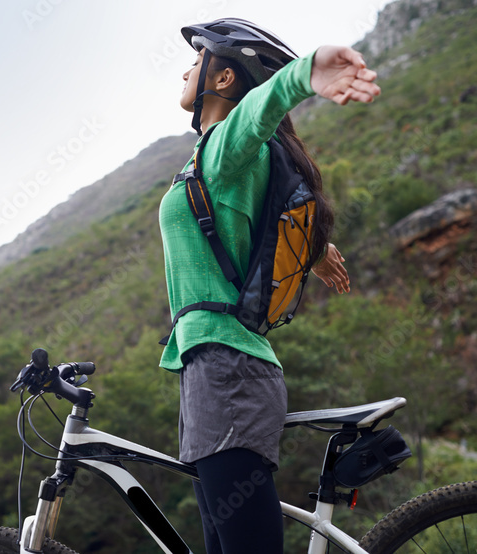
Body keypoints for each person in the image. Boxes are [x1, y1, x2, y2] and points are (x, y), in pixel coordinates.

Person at [157, 18, 380, 554]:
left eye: (197, 60)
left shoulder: (226, 145)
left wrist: (306, 72)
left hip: (228, 370)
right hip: (210, 370)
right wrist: (314, 251)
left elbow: (262, 110)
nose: (186, 69)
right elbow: (255, 227)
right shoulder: (214, 162)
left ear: (225, 78)